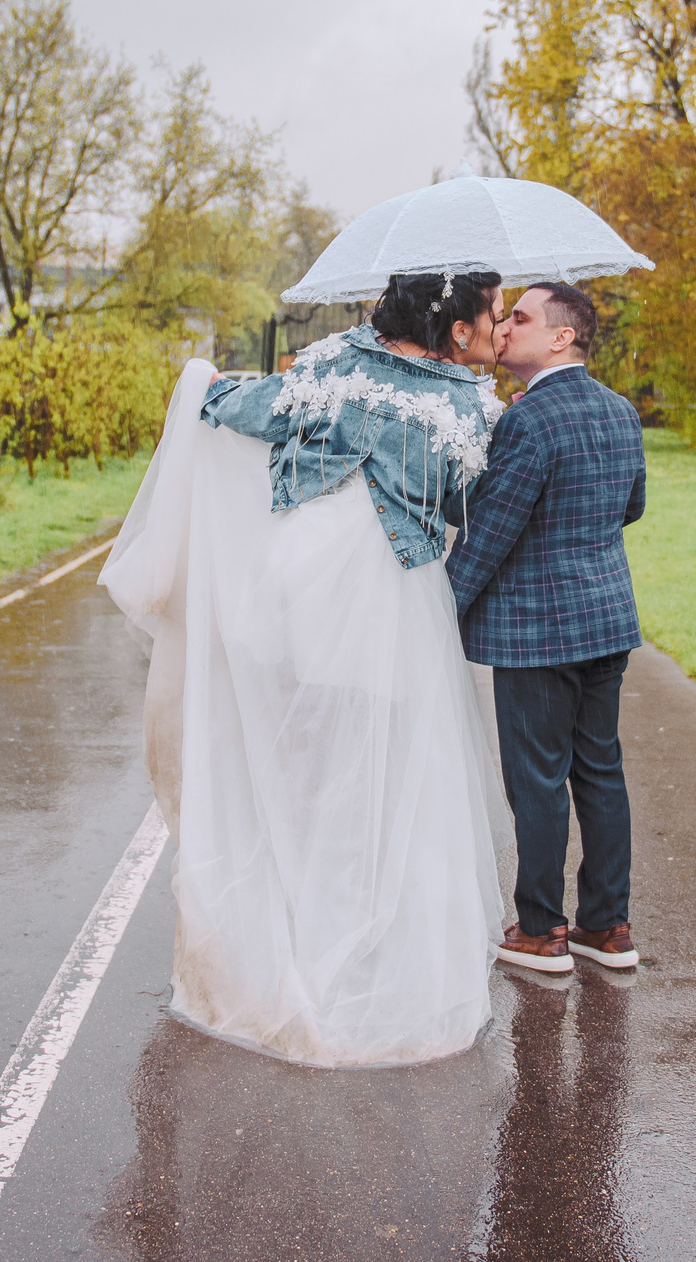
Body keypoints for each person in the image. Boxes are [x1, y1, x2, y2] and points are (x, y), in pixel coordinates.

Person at [99, 270, 513, 1066]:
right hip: (389, 601)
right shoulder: (466, 408)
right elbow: (470, 501)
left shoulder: (328, 365)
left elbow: (241, 414)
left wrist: (206, 388)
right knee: (387, 778)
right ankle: (367, 953)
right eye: (493, 310)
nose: (498, 323)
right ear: (457, 328)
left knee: (298, 769)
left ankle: (287, 937)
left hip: (296, 590)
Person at [447, 283, 646, 976]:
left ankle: (540, 928)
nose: (504, 330)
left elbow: (490, 535)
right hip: (606, 620)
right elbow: (632, 506)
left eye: (521, 318)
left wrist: (440, 612)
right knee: (600, 774)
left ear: (562, 337)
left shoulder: (528, 421)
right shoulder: (621, 411)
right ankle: (607, 925)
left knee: (537, 780)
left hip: (537, 633)